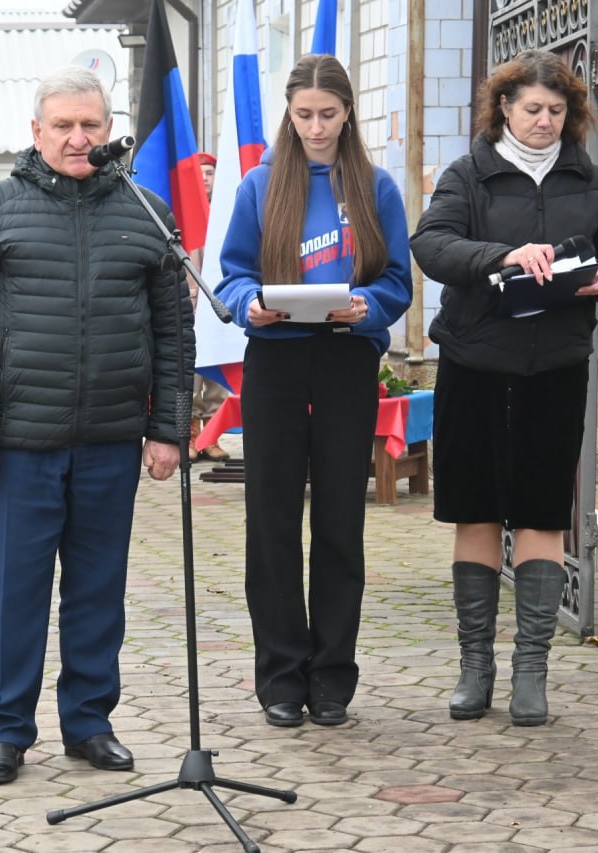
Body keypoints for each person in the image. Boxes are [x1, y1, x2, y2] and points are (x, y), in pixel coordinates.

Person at [0, 66, 193, 785]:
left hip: (112, 439)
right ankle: (6, 730)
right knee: (15, 592)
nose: (79, 138)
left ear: (109, 131)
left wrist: (169, 427)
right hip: (21, 444)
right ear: (36, 132)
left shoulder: (146, 212)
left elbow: (175, 333)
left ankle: (89, 722)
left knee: (97, 590)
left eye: (91, 125)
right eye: (64, 126)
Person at [410, 50, 598, 727]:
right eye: (532, 109)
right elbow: (433, 245)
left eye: (556, 110)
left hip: (555, 368)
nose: (544, 121)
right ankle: (474, 667)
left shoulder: (588, 180)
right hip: (476, 365)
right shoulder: (470, 173)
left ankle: (531, 674)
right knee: (477, 510)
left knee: (541, 515)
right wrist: (502, 256)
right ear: (504, 108)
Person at [215, 54, 414, 728]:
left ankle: (332, 677)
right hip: (274, 363)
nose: (317, 127)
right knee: (269, 521)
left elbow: (396, 283)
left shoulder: (375, 186)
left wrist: (367, 305)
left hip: (345, 363)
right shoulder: (259, 185)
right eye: (305, 115)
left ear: (349, 112)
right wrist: (252, 305)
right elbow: (233, 275)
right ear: (289, 114)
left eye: (328, 114)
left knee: (339, 519)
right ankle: (279, 676)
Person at [190, 150, 231, 463]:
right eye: (199, 172)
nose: (204, 178)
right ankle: (190, 434)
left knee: (216, 371)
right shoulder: (184, 211)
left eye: (210, 173)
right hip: (189, 302)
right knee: (189, 371)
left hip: (218, 301)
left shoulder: (225, 212)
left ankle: (211, 435)